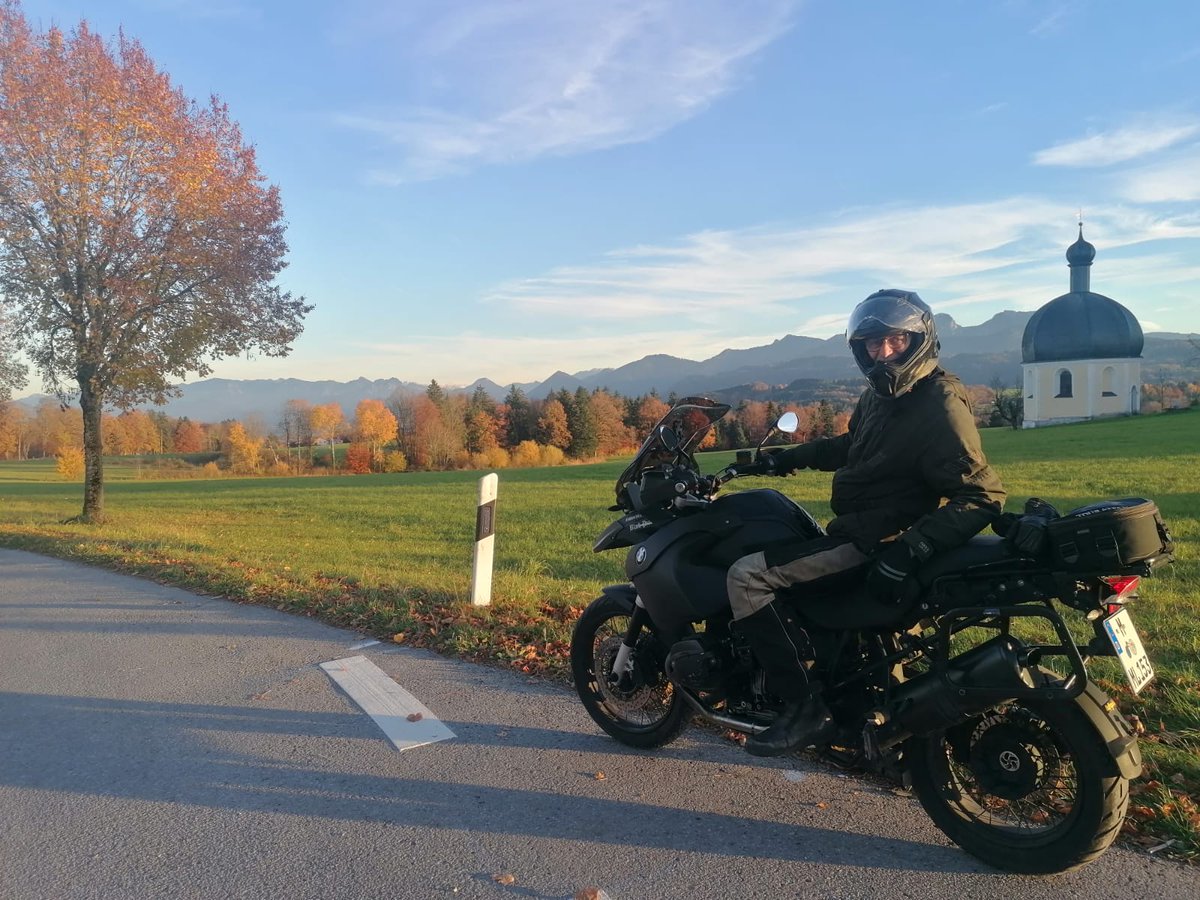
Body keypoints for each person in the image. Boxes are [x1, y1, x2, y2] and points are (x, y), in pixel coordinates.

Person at [728, 289, 1006, 757]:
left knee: (746, 577)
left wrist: (909, 550)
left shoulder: (938, 402)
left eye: (896, 341)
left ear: (920, 340)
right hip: (863, 528)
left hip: (876, 539)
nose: (884, 353)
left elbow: (982, 495)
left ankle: (804, 709)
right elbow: (850, 446)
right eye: (873, 344)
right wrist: (781, 459)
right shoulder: (883, 395)